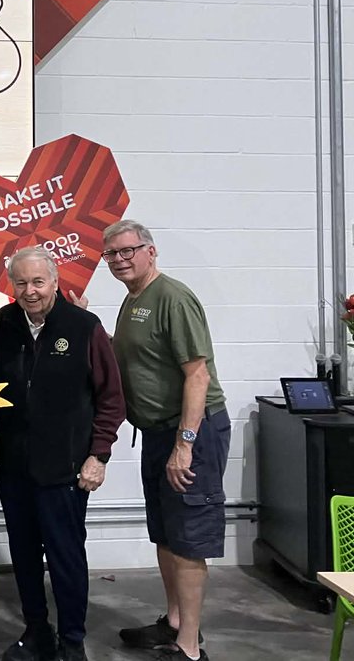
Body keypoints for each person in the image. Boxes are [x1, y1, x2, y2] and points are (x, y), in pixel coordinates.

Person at [94, 221, 228, 661]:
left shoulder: (173, 297)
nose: (119, 260)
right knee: (166, 533)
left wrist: (185, 444)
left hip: (190, 431)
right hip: (156, 432)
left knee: (187, 536)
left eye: (127, 251)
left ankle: (189, 646)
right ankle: (173, 623)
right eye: (111, 254)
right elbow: (134, 355)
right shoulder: (134, 299)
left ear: (150, 251)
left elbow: (197, 374)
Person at [0, 248, 125, 661]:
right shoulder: (3, 324)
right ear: (11, 285)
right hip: (15, 467)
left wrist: (98, 455)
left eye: (38, 282)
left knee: (66, 558)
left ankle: (71, 641)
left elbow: (112, 398)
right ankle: (37, 632)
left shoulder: (84, 327)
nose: (30, 291)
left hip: (65, 470)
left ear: (54, 281)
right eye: (21, 283)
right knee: (24, 557)